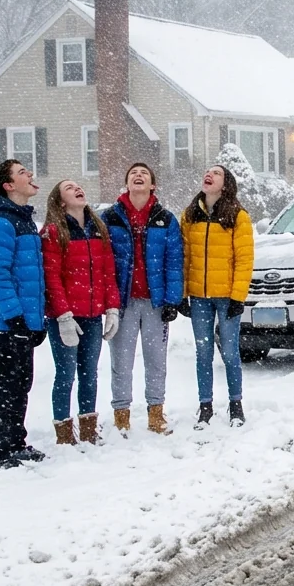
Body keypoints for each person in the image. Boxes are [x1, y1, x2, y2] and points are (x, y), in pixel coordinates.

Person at [0, 160, 47, 471]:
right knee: (6, 384)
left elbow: (31, 277)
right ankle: (0, 452)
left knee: (21, 382)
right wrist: (15, 317)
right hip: (3, 321)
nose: (30, 174)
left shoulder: (22, 220)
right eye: (22, 172)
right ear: (8, 185)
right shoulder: (0, 222)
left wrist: (36, 321)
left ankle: (16, 442)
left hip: (21, 320)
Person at [103, 163, 183, 436]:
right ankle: (121, 416)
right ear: (126, 183)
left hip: (154, 302)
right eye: (133, 173)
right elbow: (103, 261)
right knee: (121, 362)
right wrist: (109, 300)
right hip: (123, 303)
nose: (138, 176)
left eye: (144, 174)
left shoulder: (165, 218)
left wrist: (172, 300)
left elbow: (174, 261)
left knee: (156, 361)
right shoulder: (110, 217)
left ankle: (156, 414)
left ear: (153, 185)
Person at [40, 180, 120, 445]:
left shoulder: (98, 228)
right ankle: (64, 435)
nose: (77, 189)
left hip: (92, 316)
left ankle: (88, 430)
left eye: (78, 186)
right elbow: (51, 277)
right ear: (60, 201)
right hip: (64, 319)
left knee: (89, 373)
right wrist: (63, 315)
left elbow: (108, 272)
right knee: (65, 374)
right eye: (69, 188)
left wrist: (112, 308)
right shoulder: (53, 232)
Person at [180, 165, 254, 429]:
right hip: (199, 297)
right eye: (207, 171)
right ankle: (205, 406)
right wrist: (182, 294)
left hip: (227, 297)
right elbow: (184, 257)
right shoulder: (190, 215)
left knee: (230, 352)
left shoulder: (238, 216)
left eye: (217, 173)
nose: (209, 175)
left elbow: (244, 259)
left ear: (226, 184)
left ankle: (236, 405)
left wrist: (238, 297)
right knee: (203, 352)